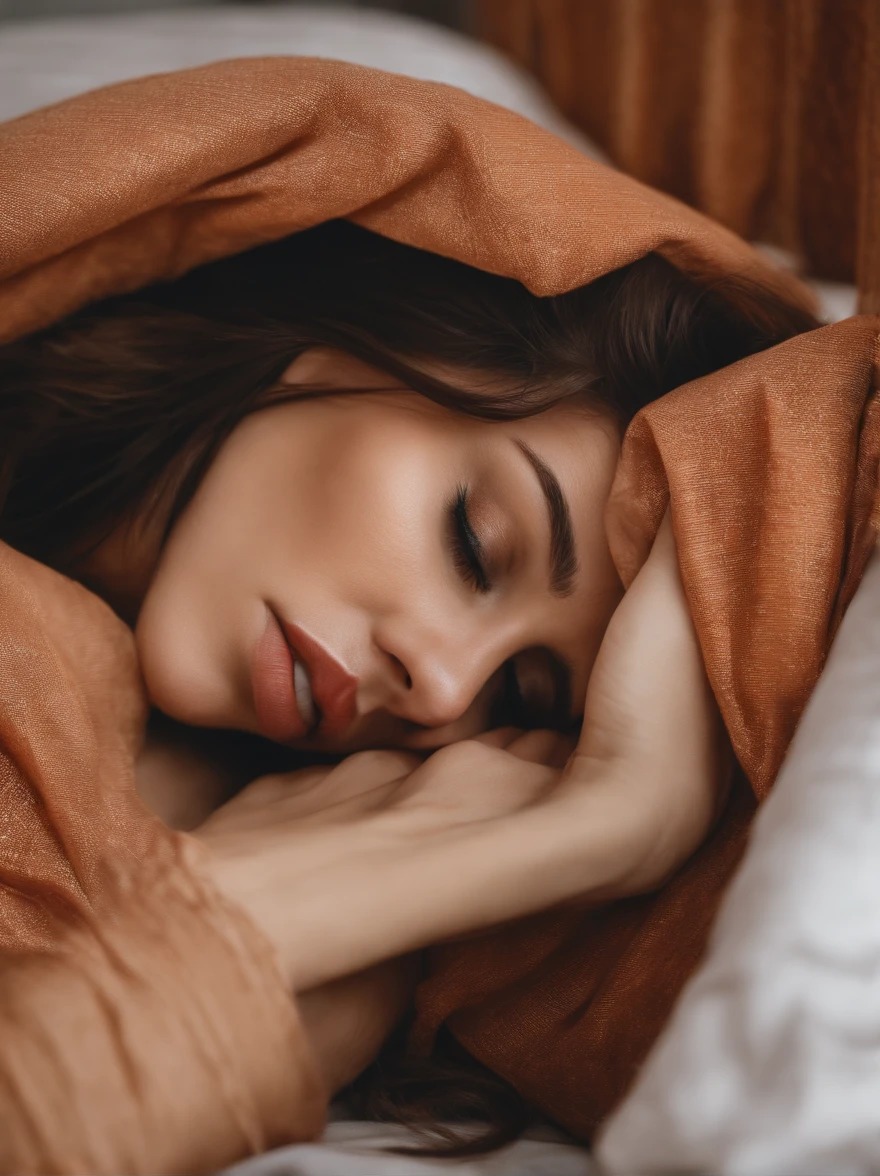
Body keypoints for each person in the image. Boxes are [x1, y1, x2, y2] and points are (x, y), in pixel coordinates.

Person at [0, 218, 817, 1158]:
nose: (440, 689)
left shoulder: (337, 902)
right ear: (348, 345)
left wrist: (610, 818)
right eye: (473, 546)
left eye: (516, 695)